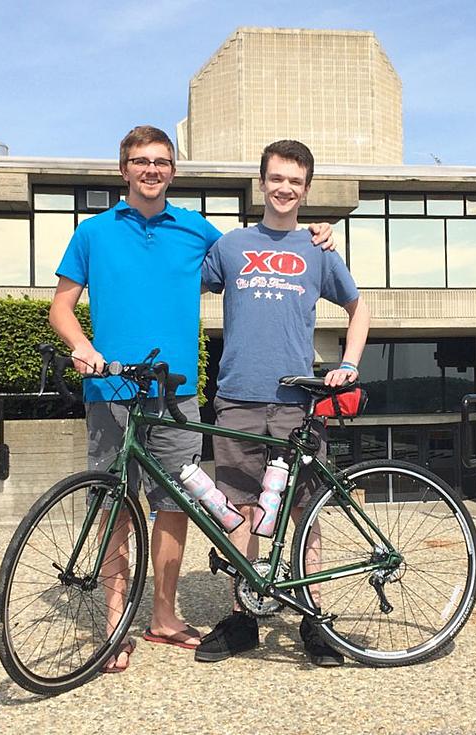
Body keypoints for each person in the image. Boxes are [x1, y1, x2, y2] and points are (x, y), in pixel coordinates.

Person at [49, 126, 334, 673]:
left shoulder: (199, 232)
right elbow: (61, 307)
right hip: (110, 389)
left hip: (177, 393)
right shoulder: (93, 233)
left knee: (175, 503)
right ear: (123, 168)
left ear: (173, 171)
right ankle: (114, 627)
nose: (150, 169)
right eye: (140, 161)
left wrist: (315, 233)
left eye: (161, 161)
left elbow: (259, 250)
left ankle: (163, 616)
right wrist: (83, 350)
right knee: (114, 506)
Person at [195, 139, 370, 667]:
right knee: (240, 509)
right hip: (238, 399)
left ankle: (314, 616)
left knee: (304, 509)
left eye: (295, 180)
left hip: (298, 401)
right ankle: (244, 615)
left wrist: (350, 363)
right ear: (262, 181)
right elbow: (179, 284)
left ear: (306, 187)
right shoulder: (230, 246)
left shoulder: (319, 249)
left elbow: (359, 307)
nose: (285, 187)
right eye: (277, 177)